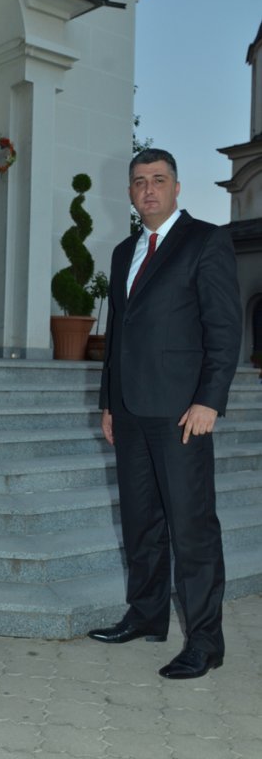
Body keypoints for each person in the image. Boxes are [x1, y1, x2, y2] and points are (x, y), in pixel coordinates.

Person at [88, 149, 242, 679]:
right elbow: (118, 333)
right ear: (130, 193)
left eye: (158, 180)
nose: (148, 189)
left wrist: (209, 399)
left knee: (192, 527)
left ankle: (205, 642)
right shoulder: (123, 252)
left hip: (182, 411)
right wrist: (109, 402)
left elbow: (224, 328)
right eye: (139, 182)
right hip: (130, 409)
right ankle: (146, 615)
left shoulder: (206, 241)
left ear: (177, 187)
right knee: (141, 522)